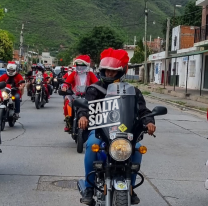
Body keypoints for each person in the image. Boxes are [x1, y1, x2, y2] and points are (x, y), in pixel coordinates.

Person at [77, 48, 156, 205]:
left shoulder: (132, 91)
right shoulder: (94, 89)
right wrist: (83, 116)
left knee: (137, 149)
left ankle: (131, 187)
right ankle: (89, 188)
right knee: (93, 145)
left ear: (120, 72)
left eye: (113, 72)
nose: (109, 74)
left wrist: (149, 121)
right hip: (101, 130)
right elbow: (84, 106)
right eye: (107, 71)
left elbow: (143, 110)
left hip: (123, 132)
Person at [61, 55, 98, 132]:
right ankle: (68, 122)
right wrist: (65, 87)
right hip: (75, 96)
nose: (80, 68)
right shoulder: (74, 73)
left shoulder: (90, 74)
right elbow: (67, 82)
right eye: (78, 65)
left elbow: (97, 84)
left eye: (82, 66)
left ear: (86, 66)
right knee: (68, 104)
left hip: (88, 96)